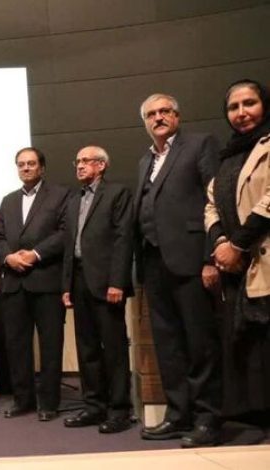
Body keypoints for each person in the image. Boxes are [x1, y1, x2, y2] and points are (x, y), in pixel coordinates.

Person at [134, 93, 222, 447]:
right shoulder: (145, 160)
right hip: (154, 263)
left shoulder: (200, 145)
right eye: (151, 114)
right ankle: (178, 415)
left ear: (177, 116)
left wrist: (210, 257)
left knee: (200, 344)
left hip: (192, 260)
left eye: (164, 111)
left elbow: (216, 200)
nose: (158, 117)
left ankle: (208, 420)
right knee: (168, 346)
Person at [205, 79, 270, 424]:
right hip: (236, 266)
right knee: (247, 344)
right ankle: (255, 415)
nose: (241, 112)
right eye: (233, 107)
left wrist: (238, 244)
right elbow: (211, 204)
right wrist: (220, 243)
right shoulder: (227, 154)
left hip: (261, 258)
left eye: (249, 104)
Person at [0, 147, 70, 422]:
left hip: (46, 282)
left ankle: (48, 402)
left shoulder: (60, 195)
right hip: (14, 284)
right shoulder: (8, 200)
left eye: (31, 163)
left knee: (50, 346)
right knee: (16, 346)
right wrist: (8, 257)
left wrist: (35, 254)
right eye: (21, 164)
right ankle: (23, 400)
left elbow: (65, 233)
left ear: (42, 167)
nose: (26, 168)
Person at [61, 146, 133, 433]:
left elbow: (123, 238)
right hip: (79, 280)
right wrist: (66, 285)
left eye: (86, 161)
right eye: (77, 161)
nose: (79, 166)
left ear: (101, 165)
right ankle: (93, 406)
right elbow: (69, 245)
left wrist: (117, 281)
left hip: (106, 283)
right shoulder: (74, 199)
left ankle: (119, 410)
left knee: (114, 348)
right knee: (87, 347)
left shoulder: (117, 193)